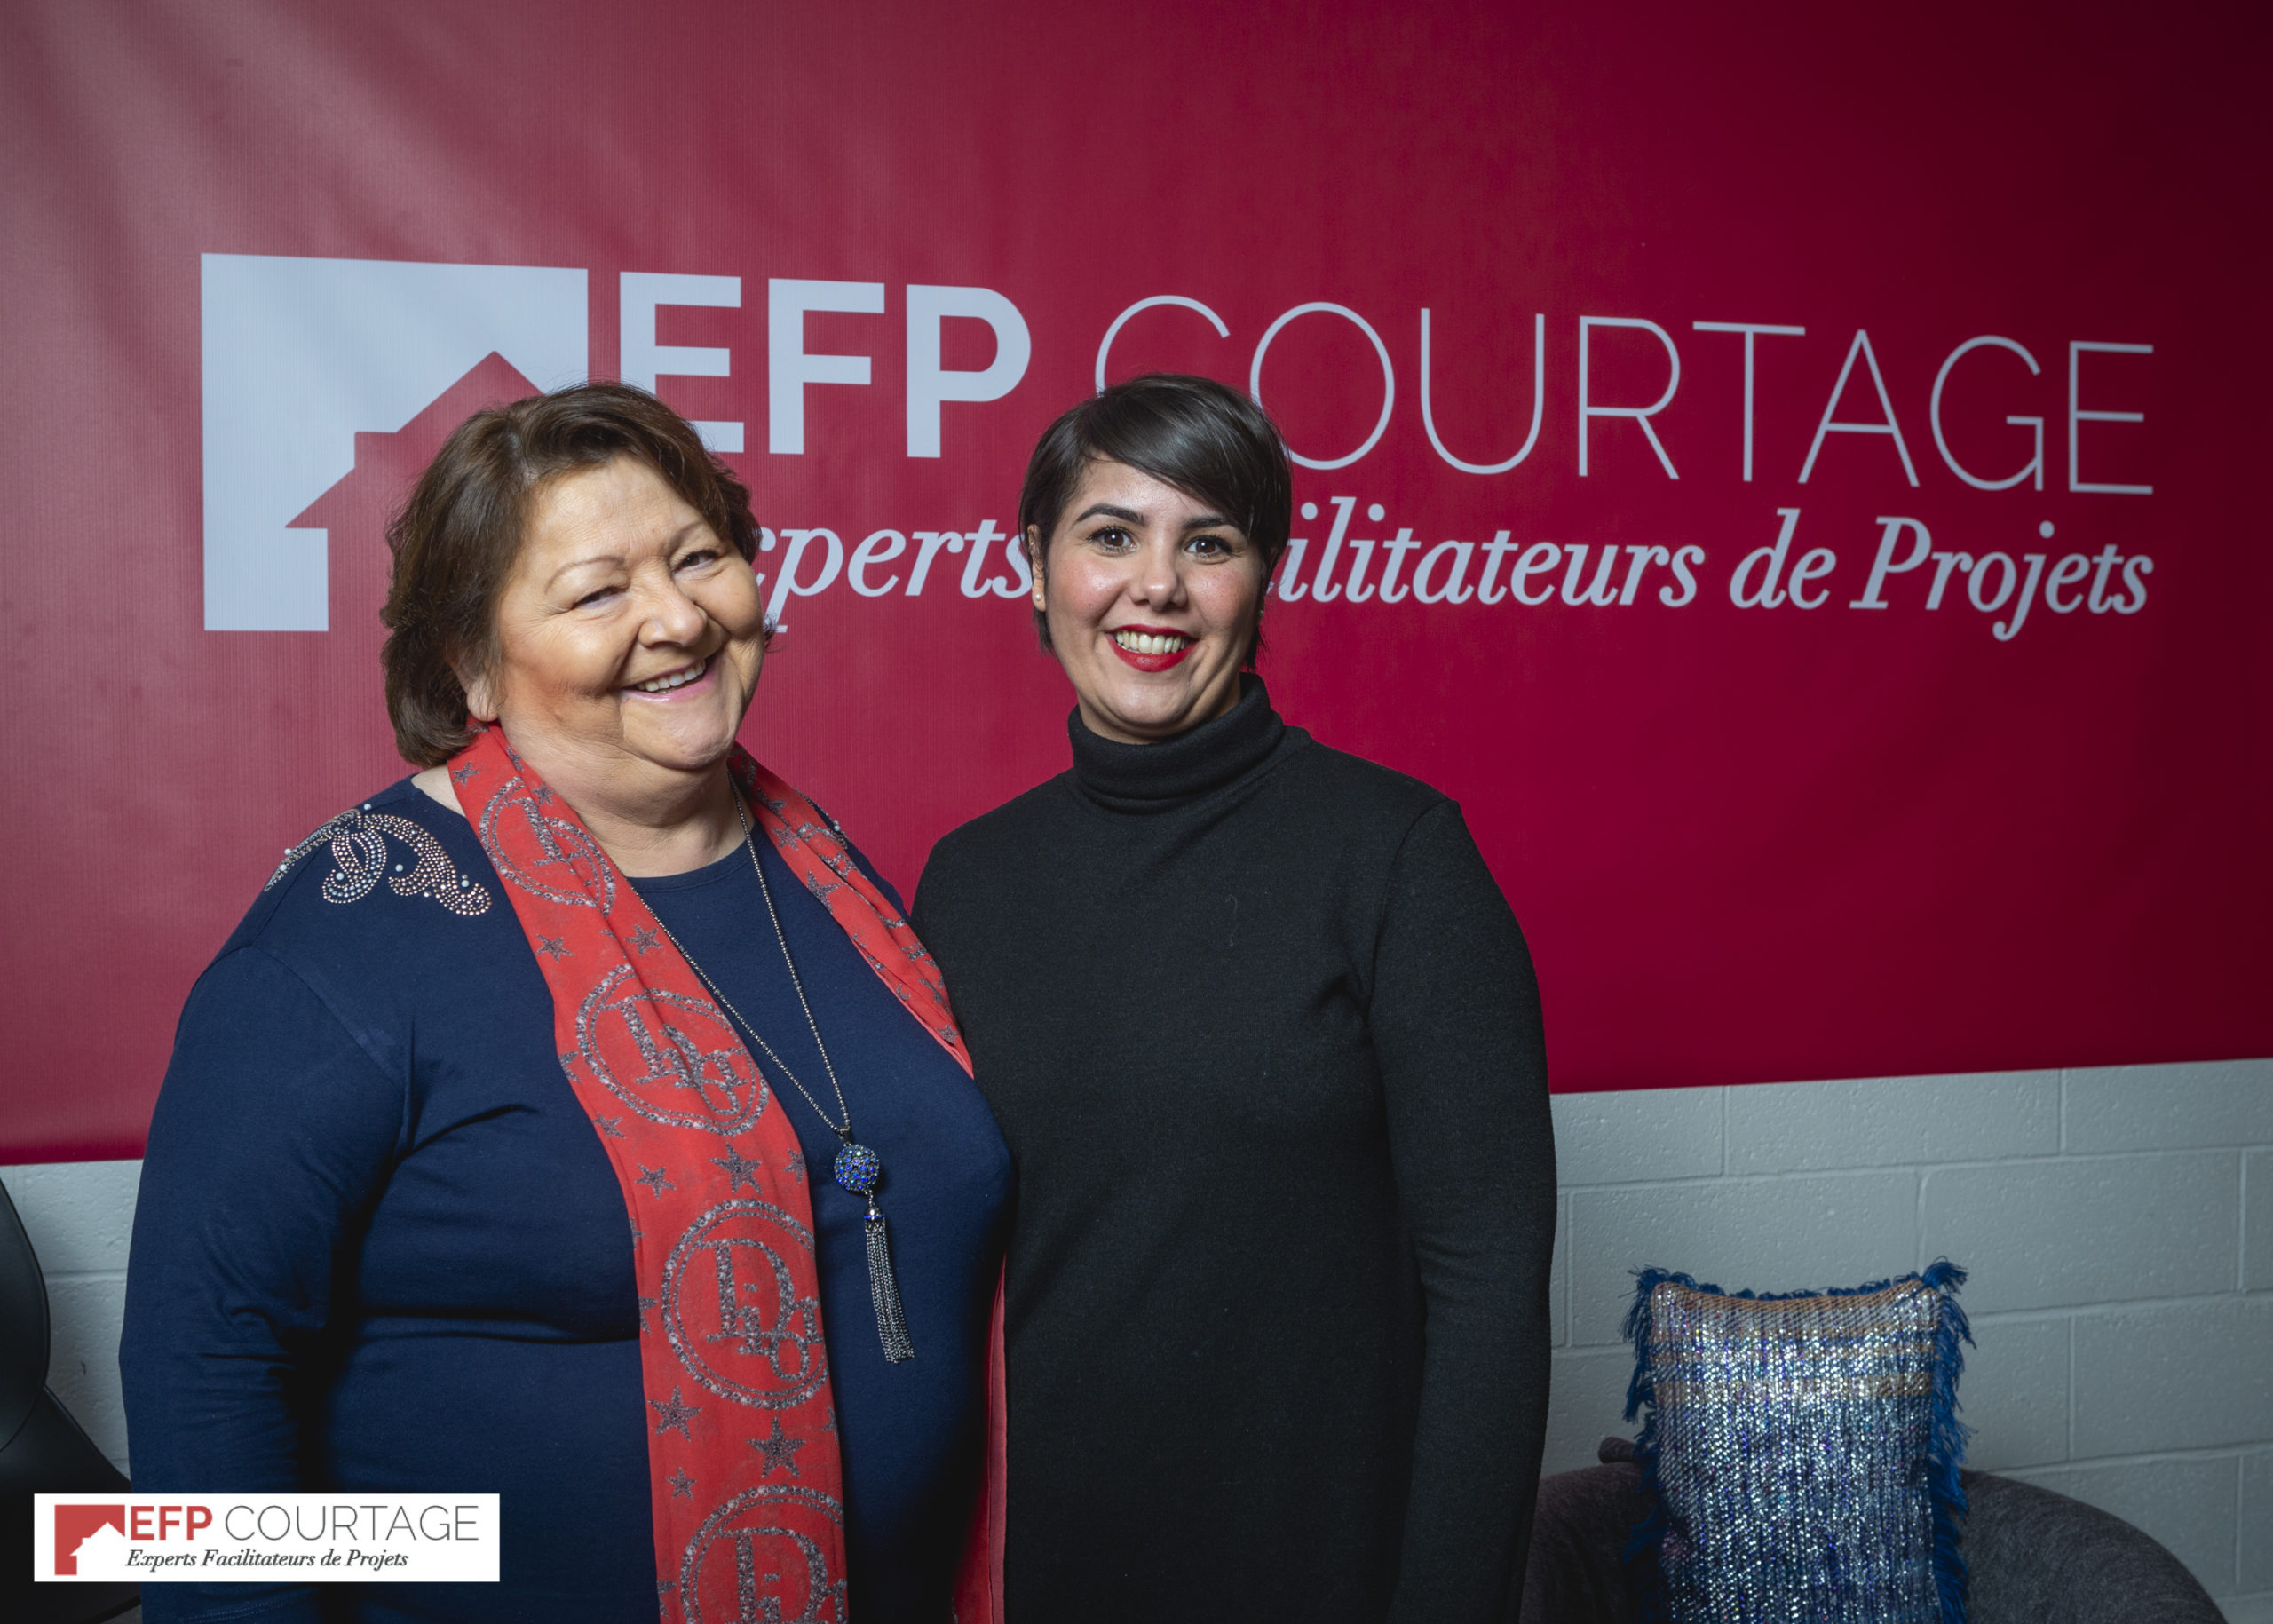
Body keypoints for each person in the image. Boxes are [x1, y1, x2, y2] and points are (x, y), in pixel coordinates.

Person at [122, 383, 1007, 1624]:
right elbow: (200, 1363)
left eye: (699, 558)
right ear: (470, 668)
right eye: (598, 593)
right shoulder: (347, 929)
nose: (680, 618)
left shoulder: (830, 872)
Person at [911, 373, 1556, 1623]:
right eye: (1111, 536)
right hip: (1040, 1577)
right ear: (1035, 566)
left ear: (1265, 579)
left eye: (1208, 543)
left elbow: (1488, 1291)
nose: (1155, 585)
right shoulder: (969, 879)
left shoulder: (1397, 858)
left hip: (1315, 1574)